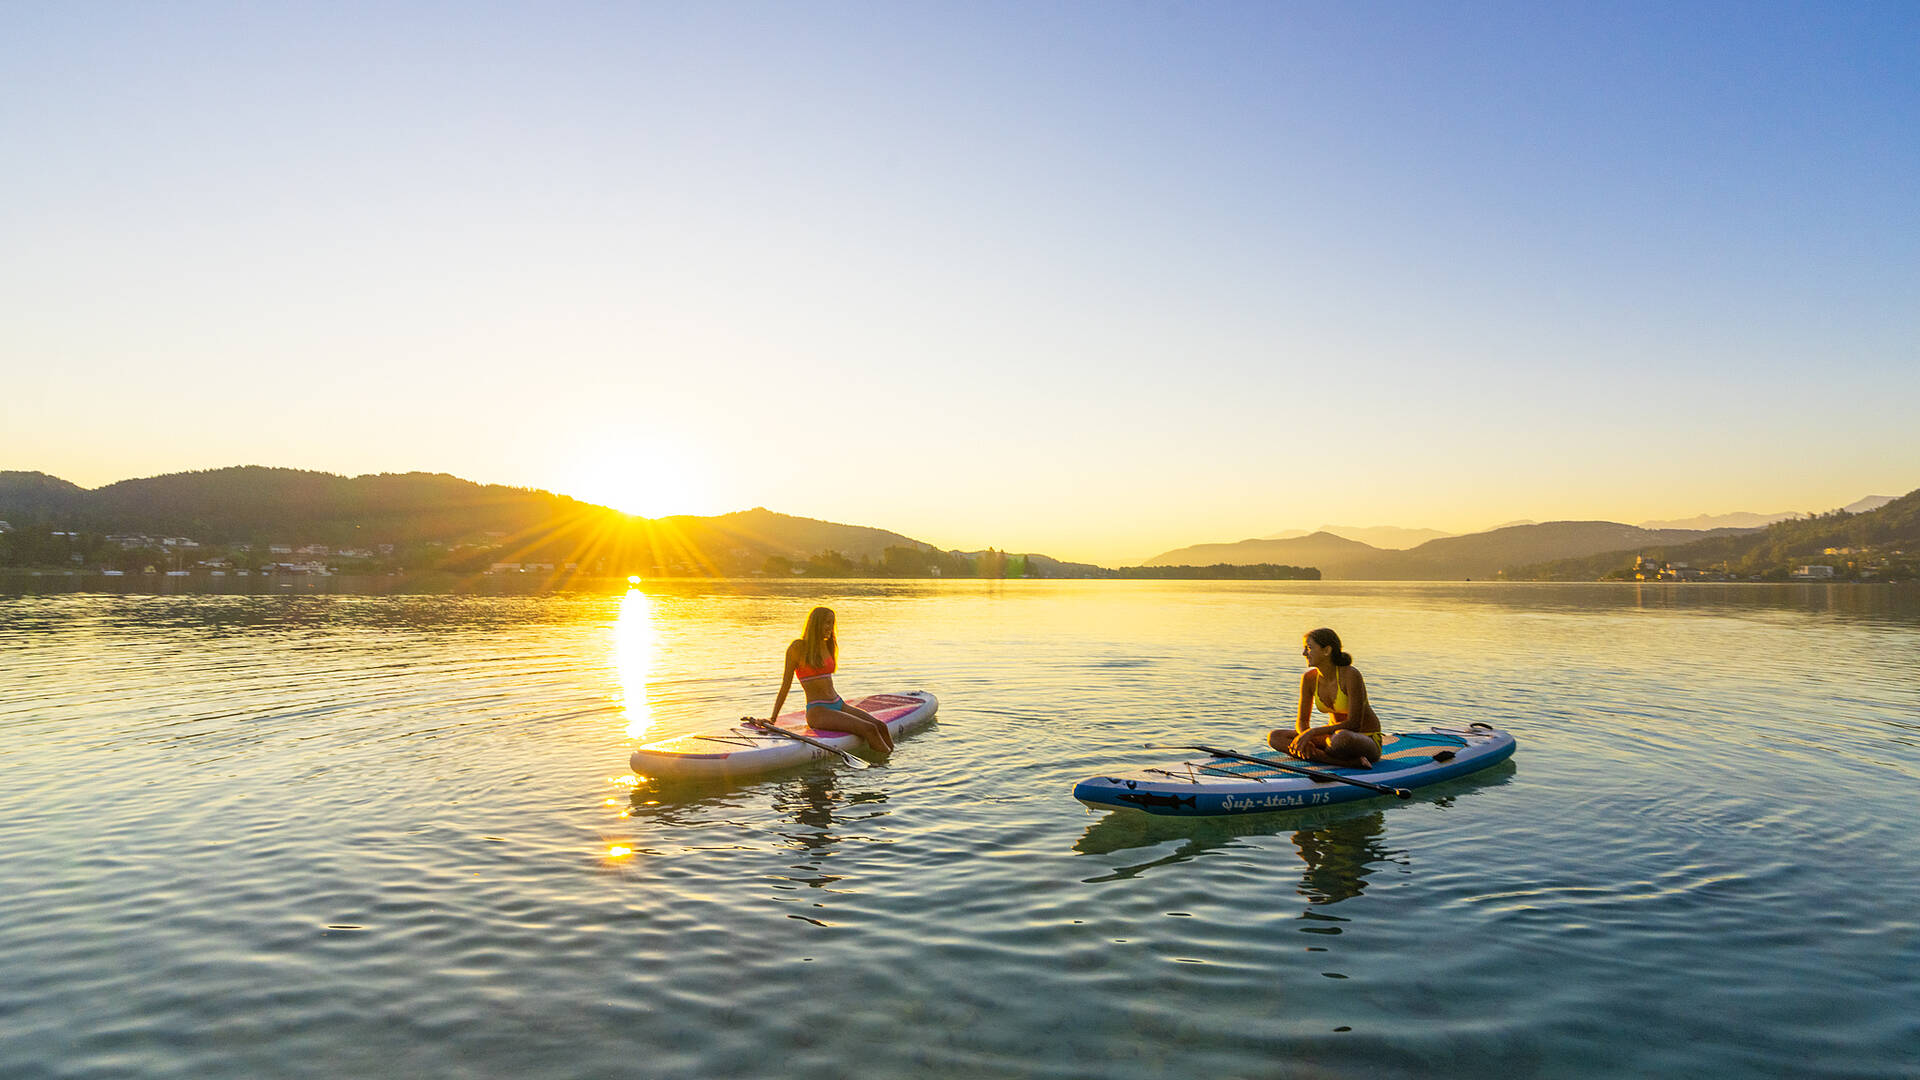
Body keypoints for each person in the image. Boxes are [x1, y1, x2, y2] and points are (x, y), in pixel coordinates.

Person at [764, 606, 894, 754]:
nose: (830, 627)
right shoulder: (797, 648)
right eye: (826, 623)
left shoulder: (828, 644)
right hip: (818, 710)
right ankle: (884, 770)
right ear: (815, 624)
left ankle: (891, 761)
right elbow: (785, 685)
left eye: (832, 623)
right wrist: (773, 718)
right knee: (869, 729)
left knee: (880, 725)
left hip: (838, 704)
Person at [1268, 627, 1384, 769]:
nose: (1304, 653)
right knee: (1275, 737)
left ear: (1327, 651)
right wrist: (1306, 738)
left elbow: (1354, 724)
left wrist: (1312, 732)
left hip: (1363, 738)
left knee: (1341, 738)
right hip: (1331, 738)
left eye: (1309, 648)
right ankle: (1345, 762)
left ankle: (1320, 756)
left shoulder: (1350, 675)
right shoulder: (1309, 678)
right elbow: (1302, 721)